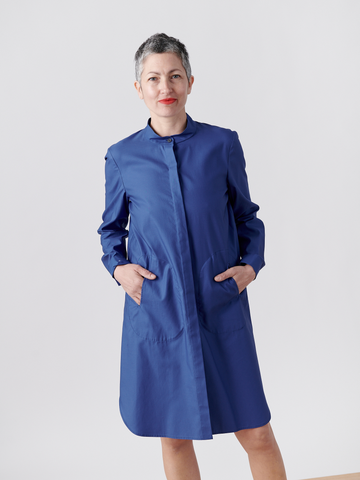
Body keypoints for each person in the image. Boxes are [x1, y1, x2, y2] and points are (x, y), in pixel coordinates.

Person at [98, 33, 287, 480]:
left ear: (190, 82)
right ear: (139, 87)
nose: (165, 86)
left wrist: (249, 268)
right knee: (174, 434)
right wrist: (119, 269)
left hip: (220, 306)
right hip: (160, 313)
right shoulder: (122, 156)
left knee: (256, 432)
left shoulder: (222, 145)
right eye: (154, 78)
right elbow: (110, 230)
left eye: (175, 76)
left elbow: (247, 217)